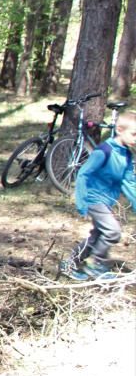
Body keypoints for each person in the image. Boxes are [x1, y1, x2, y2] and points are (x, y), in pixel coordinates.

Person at [63, 110, 136, 280]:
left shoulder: (126, 154)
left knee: (97, 235)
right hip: (93, 199)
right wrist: (81, 202)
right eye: (134, 134)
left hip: (106, 201)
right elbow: (83, 174)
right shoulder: (104, 151)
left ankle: (69, 264)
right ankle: (96, 264)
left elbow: (129, 183)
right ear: (119, 130)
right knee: (113, 231)